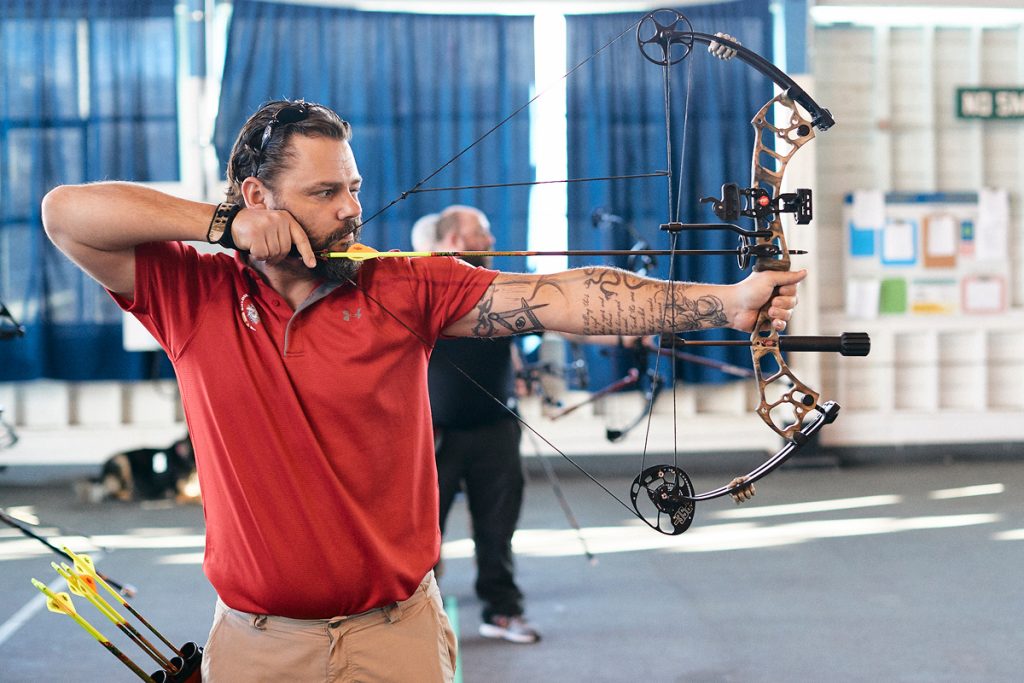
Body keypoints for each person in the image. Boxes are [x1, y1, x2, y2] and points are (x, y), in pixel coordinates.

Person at [41, 99, 805, 682]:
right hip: (257, 643)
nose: (351, 209)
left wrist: (726, 303)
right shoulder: (192, 295)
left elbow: (565, 295)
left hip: (394, 636)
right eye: (324, 192)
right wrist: (220, 225)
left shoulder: (402, 286)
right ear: (258, 197)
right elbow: (66, 214)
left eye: (354, 188)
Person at [413, 206, 538, 644]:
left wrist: (627, 334)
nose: (489, 241)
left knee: (497, 530)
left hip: (496, 430)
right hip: (436, 435)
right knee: (422, 536)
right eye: (479, 235)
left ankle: (502, 611)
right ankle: (417, 620)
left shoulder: (501, 292)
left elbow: (560, 316)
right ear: (451, 243)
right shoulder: (423, 292)